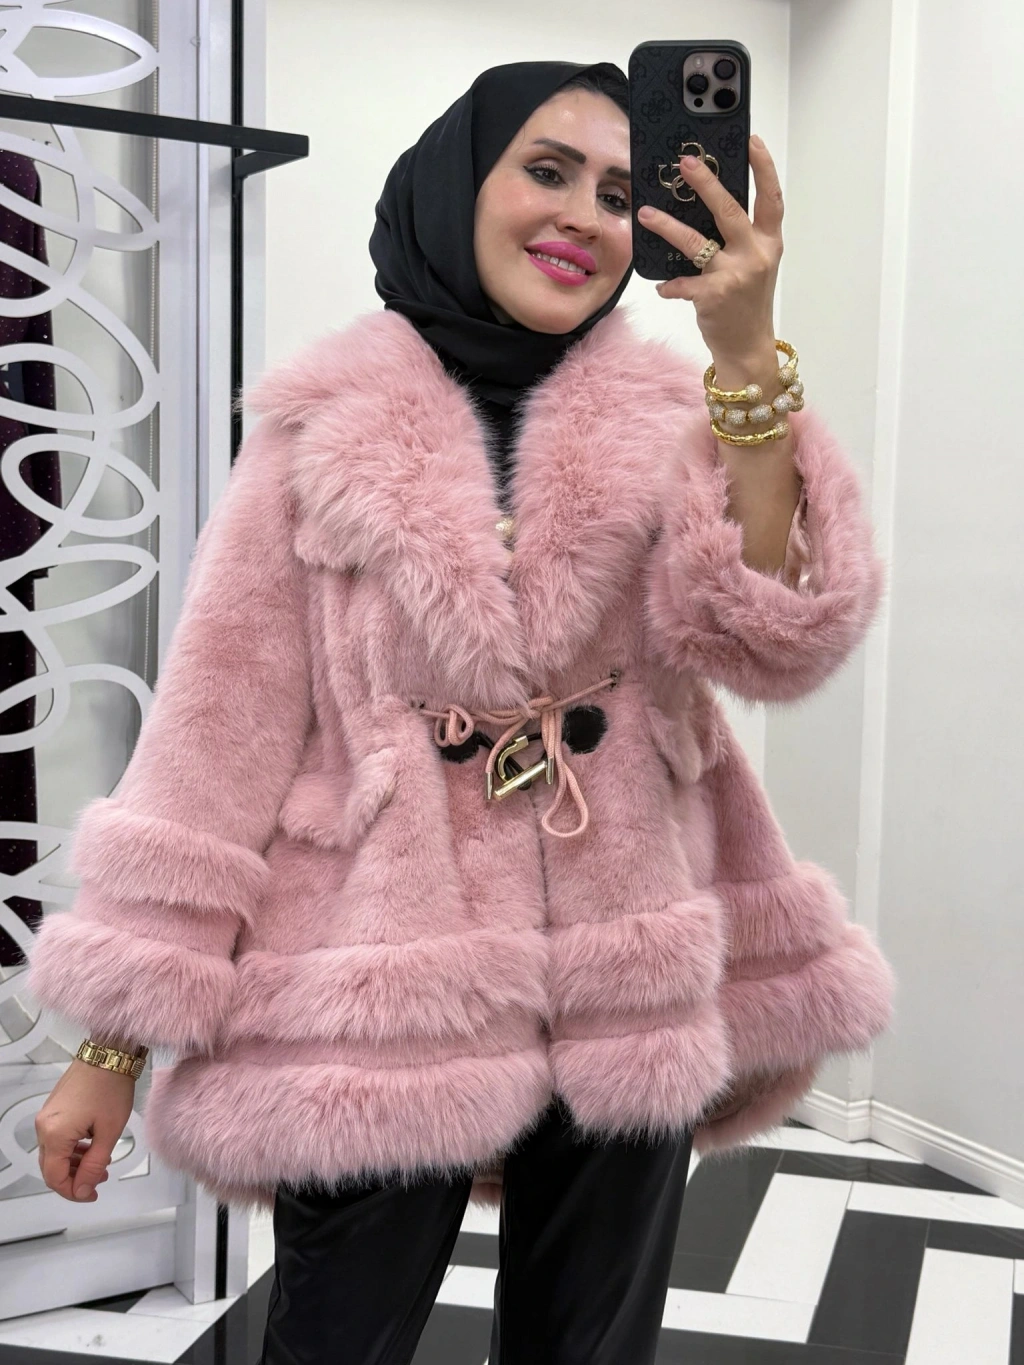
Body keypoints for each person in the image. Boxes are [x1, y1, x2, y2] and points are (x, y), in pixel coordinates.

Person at [27, 60, 894, 1365]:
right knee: (337, 1341)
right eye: (547, 170)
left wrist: (745, 354)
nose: (586, 215)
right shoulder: (317, 434)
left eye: (621, 192)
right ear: (457, 183)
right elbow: (213, 745)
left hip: (625, 966)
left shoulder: (678, 416)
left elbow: (774, 631)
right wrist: (114, 1043)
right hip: (377, 989)